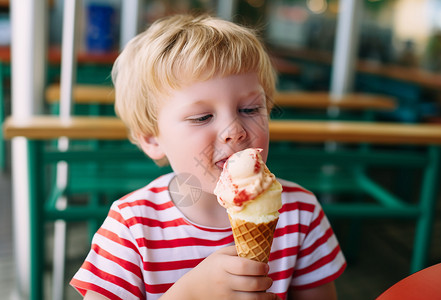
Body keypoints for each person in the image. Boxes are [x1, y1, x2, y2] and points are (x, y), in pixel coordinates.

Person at [70, 14, 346, 300]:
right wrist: (186, 295)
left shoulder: (302, 213)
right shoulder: (131, 226)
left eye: (250, 110)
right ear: (152, 138)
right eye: (202, 117)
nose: (235, 131)